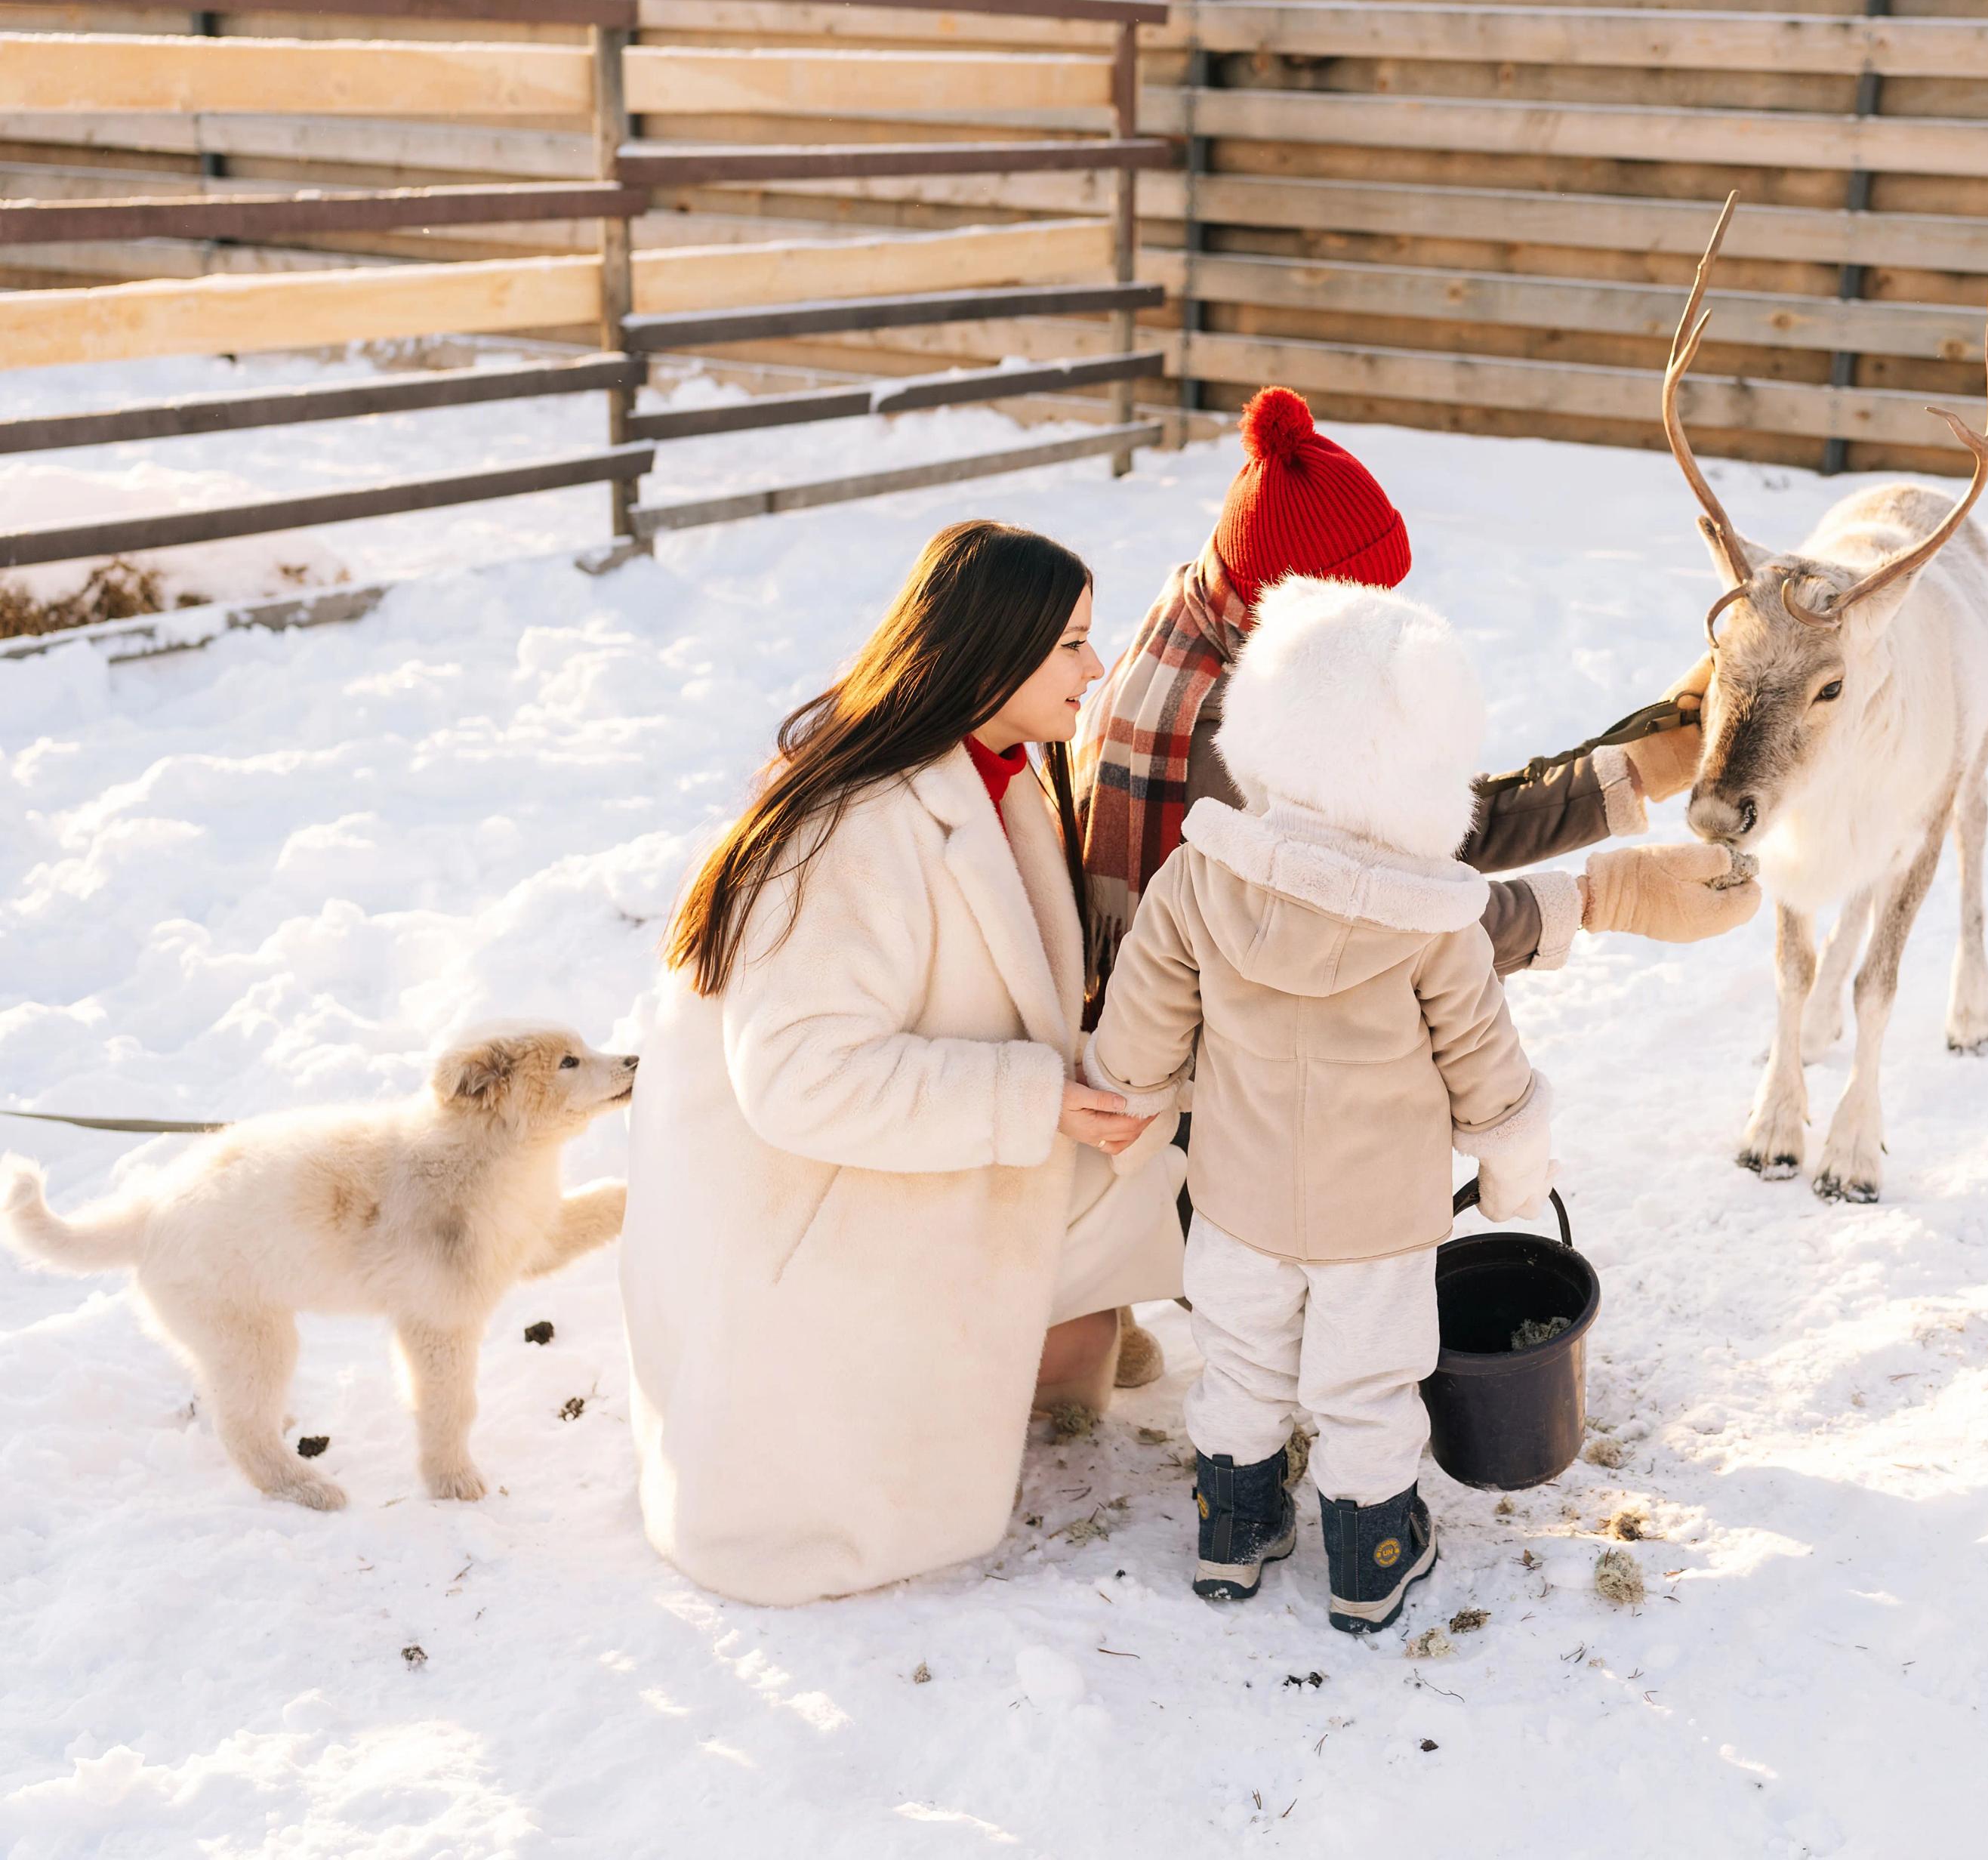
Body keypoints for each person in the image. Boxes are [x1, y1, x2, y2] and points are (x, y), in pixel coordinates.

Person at [618, 520, 1184, 1606]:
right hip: (813, 1206)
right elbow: (803, 1080)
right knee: (1157, 1169)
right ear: (992, 654)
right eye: (1071, 644)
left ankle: (1054, 1359)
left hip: (899, 1155)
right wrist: (1038, 1102)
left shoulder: (990, 777)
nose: (1097, 668)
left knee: (1164, 1151)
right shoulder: (854, 828)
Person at [1086, 578, 1553, 1635]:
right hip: (1377, 1221)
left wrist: (1129, 1104)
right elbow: (1484, 1059)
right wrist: (1515, 1163)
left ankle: (1233, 1531)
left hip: (1238, 1201)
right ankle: (1370, 1557)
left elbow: (1142, 1026)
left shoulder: (1198, 878)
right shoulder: (1433, 920)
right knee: (1368, 1383)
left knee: (1241, 1363)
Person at [1077, 386, 1753, 1004]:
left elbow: (1405, 827)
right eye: (1369, 602)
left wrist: (1631, 768)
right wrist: (1602, 902)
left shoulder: (1218, 631)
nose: (1387, 619)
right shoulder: (1215, 742)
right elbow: (1364, 926)